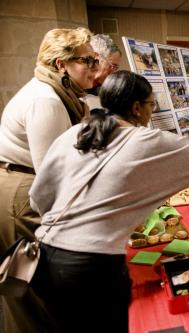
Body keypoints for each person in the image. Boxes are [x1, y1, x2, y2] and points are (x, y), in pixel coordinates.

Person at [27, 70, 189, 332]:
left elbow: (38, 198)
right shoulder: (143, 139)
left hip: (45, 258)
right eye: (151, 105)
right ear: (136, 108)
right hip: (93, 267)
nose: (152, 111)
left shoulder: (74, 134)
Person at [0, 26, 97, 333]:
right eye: (89, 61)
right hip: (22, 192)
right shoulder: (47, 100)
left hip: (24, 186)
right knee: (34, 292)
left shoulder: (60, 93)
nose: (95, 69)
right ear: (61, 64)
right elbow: (53, 178)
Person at [84, 34, 122, 109]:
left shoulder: (105, 88)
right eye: (113, 66)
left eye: (116, 67)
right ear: (97, 58)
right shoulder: (78, 87)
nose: (114, 72)